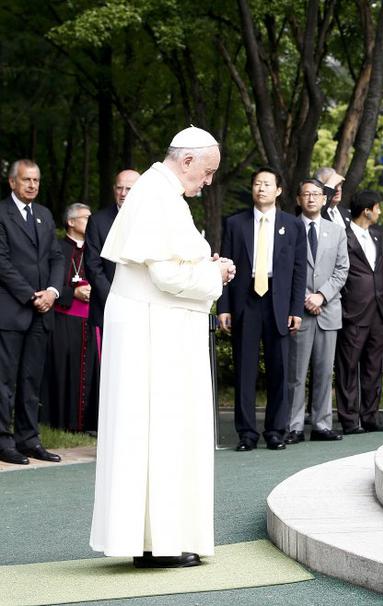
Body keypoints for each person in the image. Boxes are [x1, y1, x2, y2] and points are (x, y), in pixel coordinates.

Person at [89, 126, 235, 568]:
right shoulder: (157, 194)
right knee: (157, 431)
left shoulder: (159, 192)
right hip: (152, 333)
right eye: (207, 172)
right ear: (187, 160)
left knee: (156, 432)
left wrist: (207, 266)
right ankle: (156, 542)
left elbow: (169, 263)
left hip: (156, 327)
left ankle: (156, 538)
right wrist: (217, 275)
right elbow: (167, 276)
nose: (207, 181)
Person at [217, 167, 306, 452]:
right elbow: (225, 268)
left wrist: (296, 308)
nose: (261, 189)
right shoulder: (235, 223)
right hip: (246, 301)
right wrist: (224, 307)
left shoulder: (292, 225)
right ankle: (246, 433)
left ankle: (276, 431)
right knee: (245, 369)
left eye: (267, 184)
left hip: (278, 302)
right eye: (257, 184)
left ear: (279, 190)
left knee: (279, 369)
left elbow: (298, 269)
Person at [0, 160, 65, 465]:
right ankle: (3, 440)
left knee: (30, 380)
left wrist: (52, 292)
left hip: (42, 311)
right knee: (5, 380)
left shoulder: (44, 215)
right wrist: (30, 296)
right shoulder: (2, 213)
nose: (32, 185)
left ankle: (28, 440)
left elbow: (56, 257)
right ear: (12, 182)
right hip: (12, 310)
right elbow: (2, 263)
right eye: (26, 180)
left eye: (36, 180)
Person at [285, 179, 349, 443]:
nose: (311, 198)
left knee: (324, 372)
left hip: (327, 309)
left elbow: (342, 269)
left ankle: (322, 424)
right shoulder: (288, 228)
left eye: (316, 194)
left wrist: (321, 295)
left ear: (325, 199)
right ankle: (294, 426)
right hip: (298, 311)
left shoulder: (337, 231)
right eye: (306, 194)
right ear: (299, 199)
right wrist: (304, 298)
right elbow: (284, 269)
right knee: (296, 374)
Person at [335, 190, 383, 434]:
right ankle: (349, 420)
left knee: (373, 367)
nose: (380, 212)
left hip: (379, 312)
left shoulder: (377, 236)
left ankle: (371, 417)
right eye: (377, 207)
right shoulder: (343, 236)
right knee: (348, 367)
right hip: (353, 312)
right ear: (366, 210)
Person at [45, 203, 98, 432]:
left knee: (90, 371)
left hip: (90, 321)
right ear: (71, 222)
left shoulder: (94, 249)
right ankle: (62, 422)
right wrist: (72, 292)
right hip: (63, 321)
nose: (91, 221)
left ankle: (88, 423)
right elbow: (48, 282)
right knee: (64, 369)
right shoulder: (57, 248)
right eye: (86, 218)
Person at [85, 169, 141, 335]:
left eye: (129, 189)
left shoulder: (152, 220)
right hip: (108, 307)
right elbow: (93, 266)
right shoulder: (97, 221)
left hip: (144, 308)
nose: (123, 193)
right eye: (119, 188)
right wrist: (114, 299)